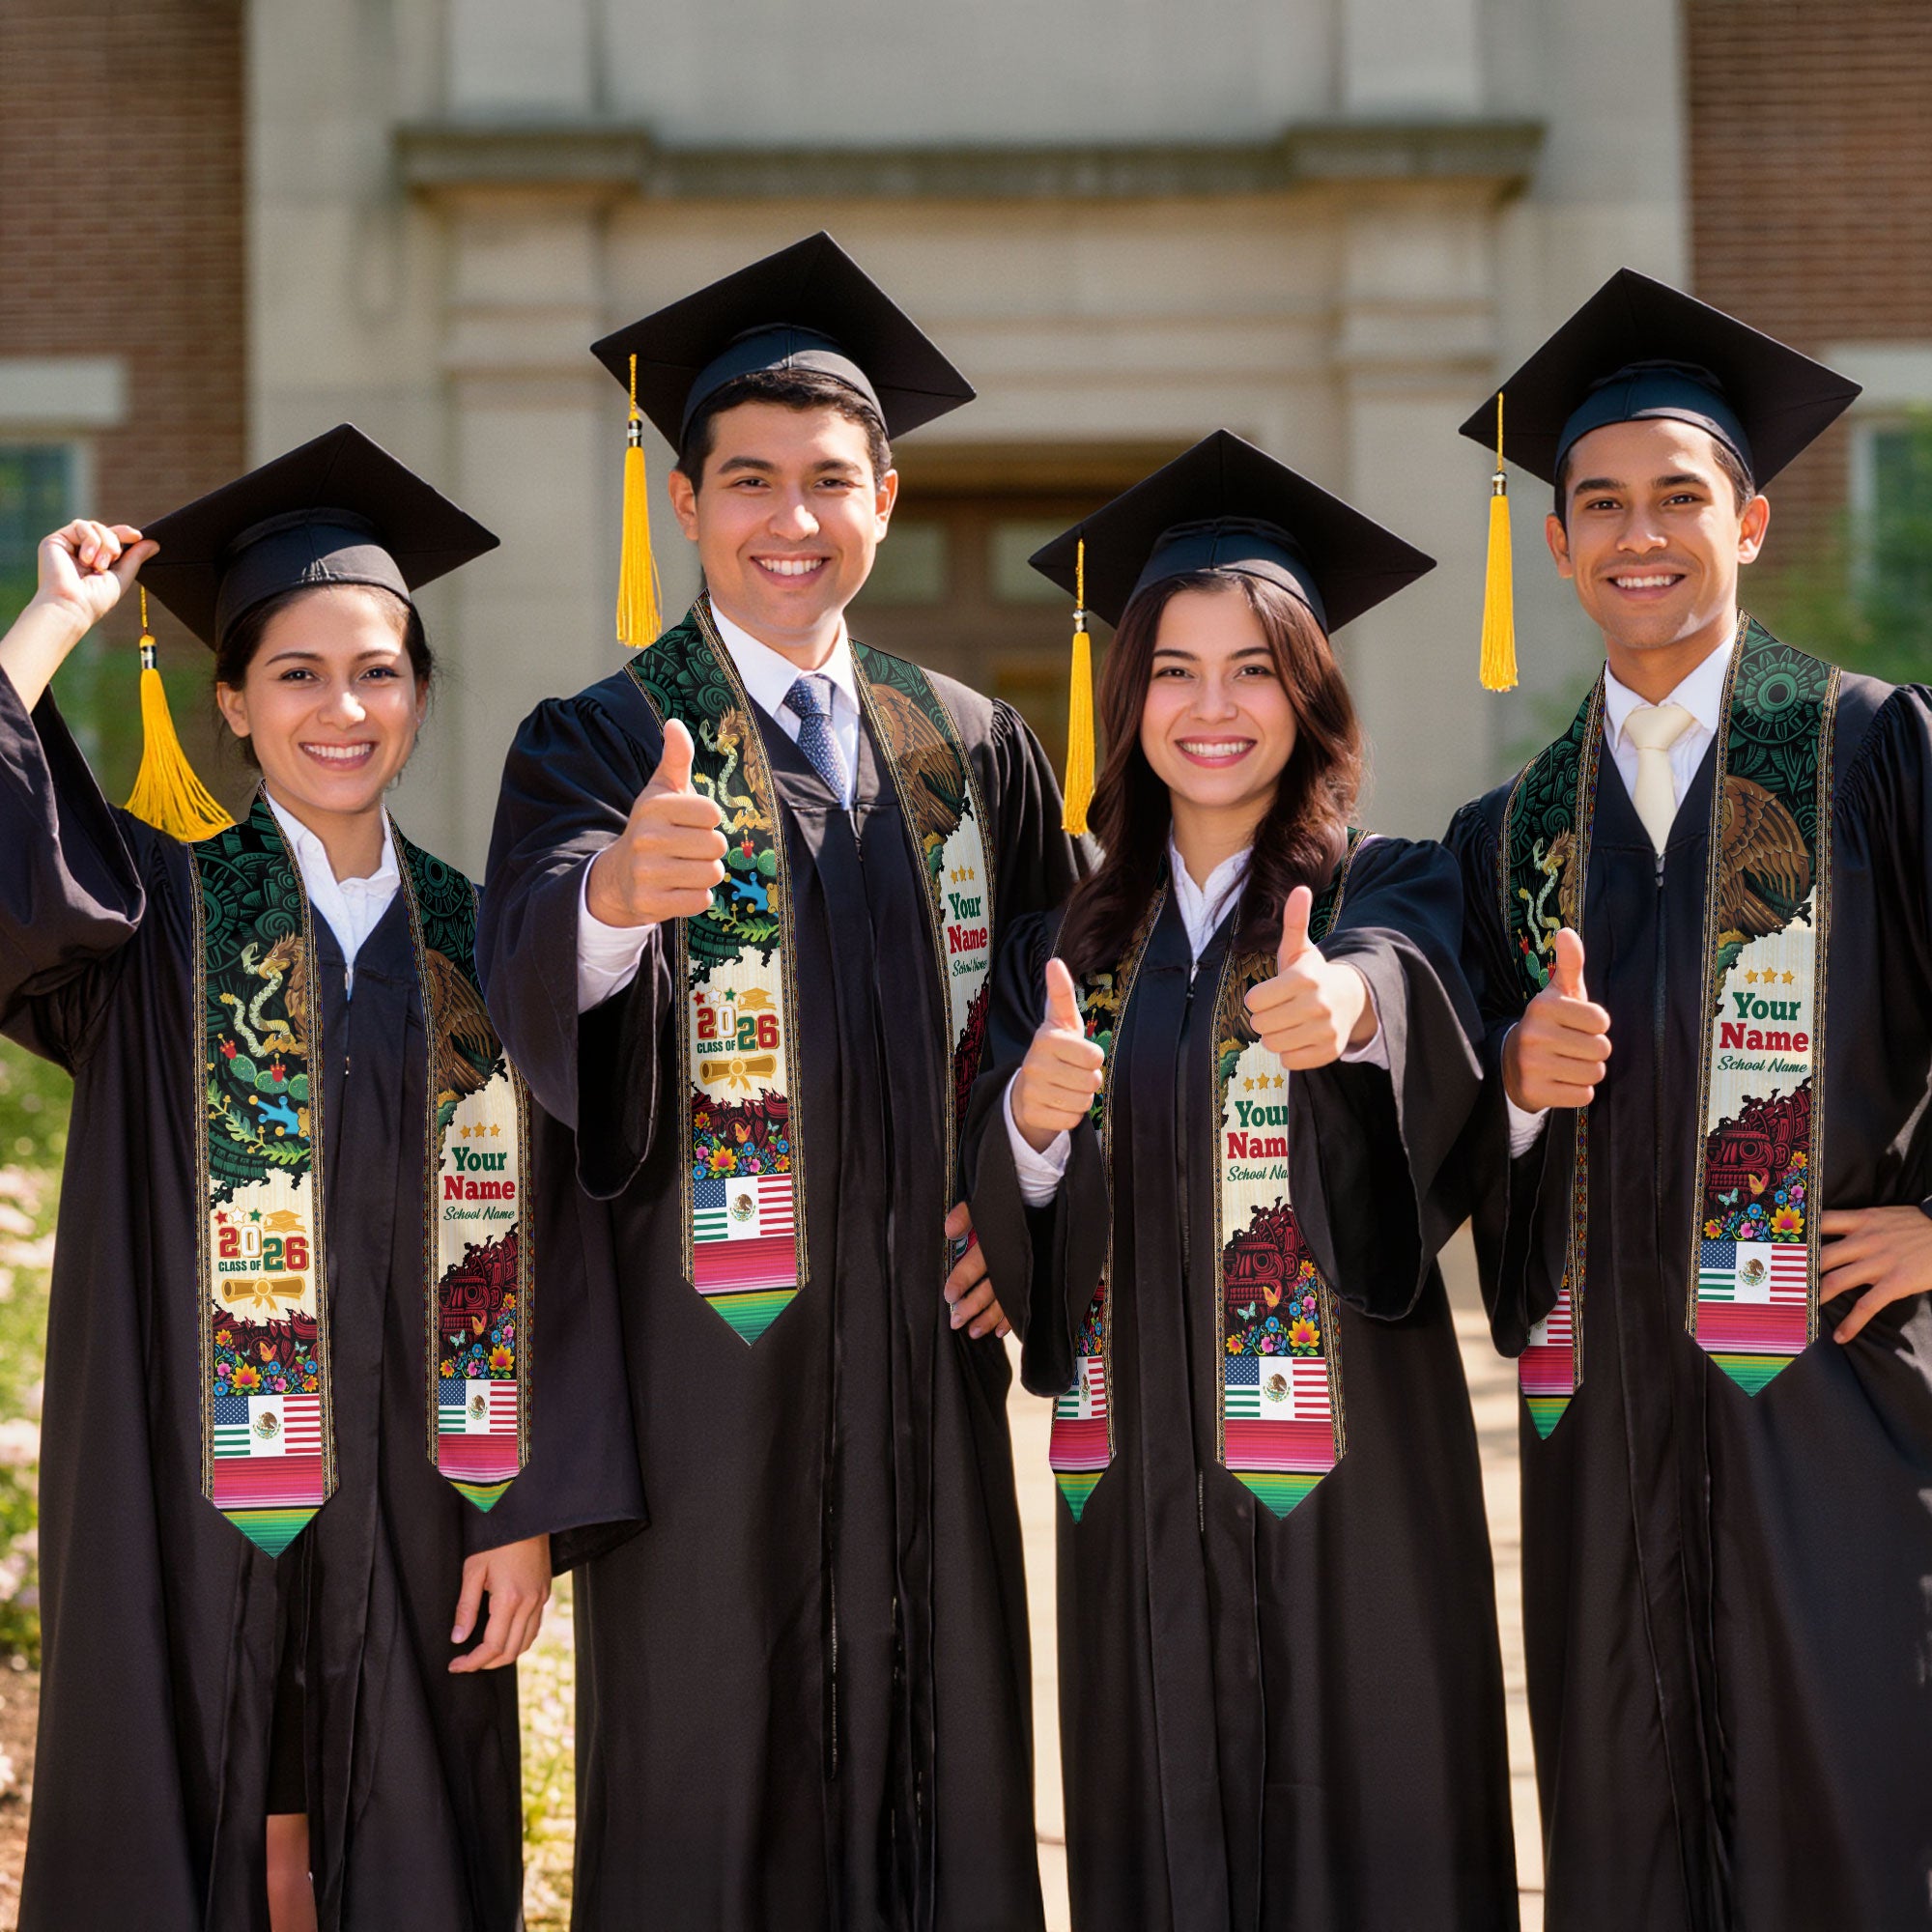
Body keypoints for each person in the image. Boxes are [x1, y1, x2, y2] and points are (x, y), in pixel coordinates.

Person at [480, 233, 1085, 1931]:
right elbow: (531, 977)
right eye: (748, 481)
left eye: (829, 480)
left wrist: (1022, 1206)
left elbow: (1067, 1007)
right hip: (707, 1375)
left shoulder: (970, 746)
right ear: (685, 503)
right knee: (711, 1773)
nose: (790, 518)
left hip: (924, 1369)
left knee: (939, 1762)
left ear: (886, 498)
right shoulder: (600, 739)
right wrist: (613, 901)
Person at [0, 425, 640, 1932]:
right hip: (181, 1484)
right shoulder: (152, 919)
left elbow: (564, 1243)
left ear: (418, 693)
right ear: (231, 701)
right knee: (192, 1802)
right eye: (296, 673)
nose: (341, 709)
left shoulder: (489, 941)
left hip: (425, 1499)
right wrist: (52, 622)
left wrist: (526, 1510)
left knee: (405, 1829)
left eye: (378, 672)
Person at [965, 432, 1518, 1931]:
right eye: (1174, 671)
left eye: (1254, 670)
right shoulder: (1064, 947)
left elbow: (1409, 989)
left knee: (1372, 1837)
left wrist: (1350, 1011)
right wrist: (1029, 1124)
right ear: (1127, 699)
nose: (1212, 708)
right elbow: (1014, 1223)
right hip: (1136, 1484)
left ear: (1310, 693)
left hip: (1352, 1486)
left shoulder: (1386, 884)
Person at [1446, 270, 1932, 1931]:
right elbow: (1448, 1132)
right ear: (1558, 542)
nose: (1637, 534)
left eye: (1678, 497)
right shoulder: (1514, 835)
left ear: (1752, 523)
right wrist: (1514, 1090)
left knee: (1855, 1815)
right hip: (1606, 1434)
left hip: (1836, 1406)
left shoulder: (1875, 756)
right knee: (1627, 1827)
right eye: (1599, 504)